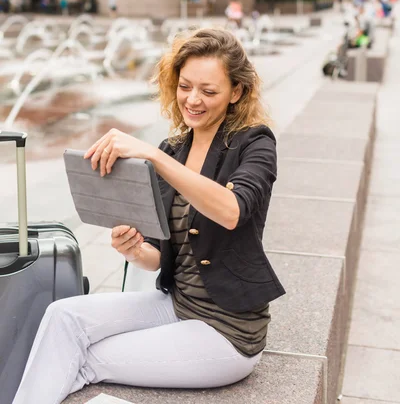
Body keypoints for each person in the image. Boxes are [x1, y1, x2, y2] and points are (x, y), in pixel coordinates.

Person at [12, 28, 284, 404]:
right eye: (185, 86)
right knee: (63, 316)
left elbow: (231, 211)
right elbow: (158, 255)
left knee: (84, 360)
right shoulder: (173, 148)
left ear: (236, 92)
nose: (193, 99)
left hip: (227, 330)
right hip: (176, 304)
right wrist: (133, 249)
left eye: (209, 91)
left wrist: (153, 158)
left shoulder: (255, 143)